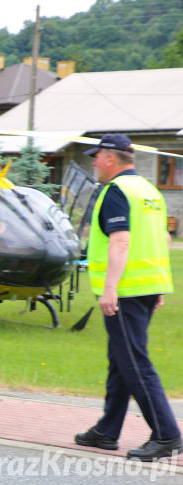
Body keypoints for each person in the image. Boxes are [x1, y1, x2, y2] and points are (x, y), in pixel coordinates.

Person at [73, 134, 181, 461]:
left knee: (134, 361)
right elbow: (161, 237)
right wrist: (158, 286)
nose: (93, 162)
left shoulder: (116, 191)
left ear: (110, 157)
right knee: (121, 359)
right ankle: (107, 431)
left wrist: (110, 289)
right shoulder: (149, 191)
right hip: (146, 287)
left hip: (125, 291)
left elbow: (120, 241)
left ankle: (167, 434)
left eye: (96, 157)